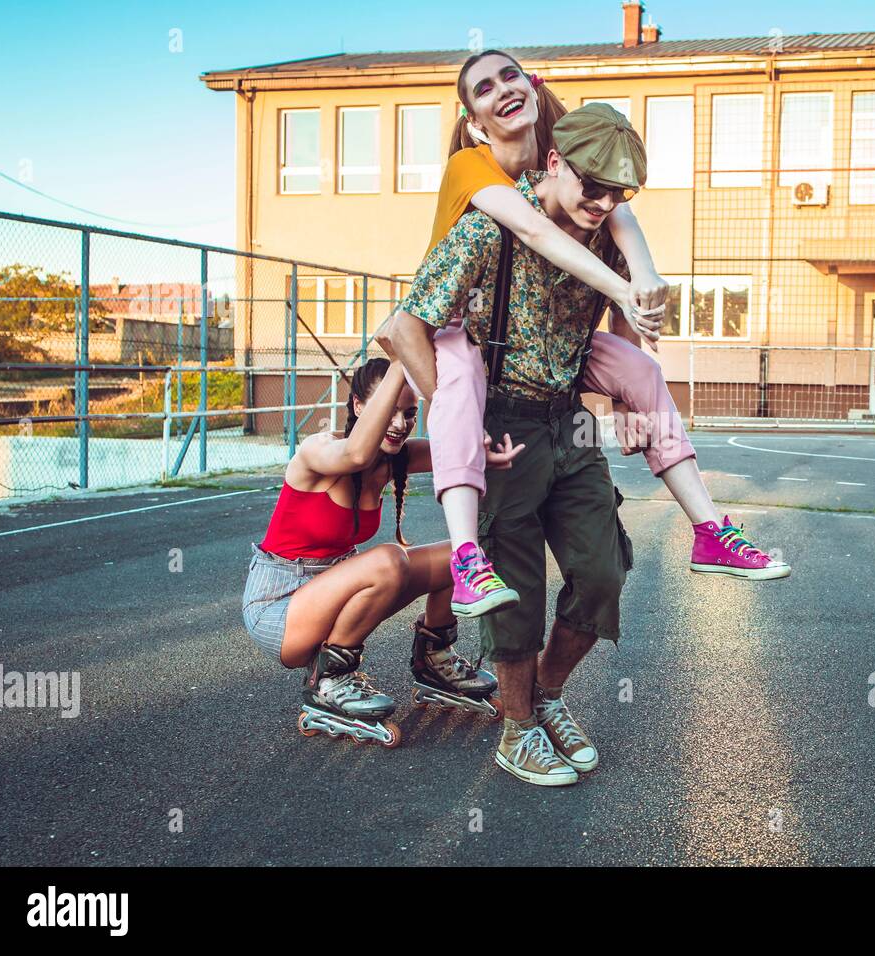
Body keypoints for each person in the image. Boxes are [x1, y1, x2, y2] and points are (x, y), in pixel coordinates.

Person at [377, 51, 788, 625]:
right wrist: (624, 289)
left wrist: (626, 392)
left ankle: (709, 529)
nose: (602, 203)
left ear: (534, 85)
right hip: (460, 327)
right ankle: (466, 557)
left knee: (639, 370)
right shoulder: (477, 178)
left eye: (511, 76)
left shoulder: (580, 174)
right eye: (484, 88)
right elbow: (527, 228)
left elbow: (616, 212)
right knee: (460, 383)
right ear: (474, 119)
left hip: (551, 352)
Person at [387, 105, 663, 785]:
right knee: (512, 585)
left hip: (569, 419)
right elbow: (403, 327)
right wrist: (460, 409)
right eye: (592, 186)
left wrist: (628, 401)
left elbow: (632, 319)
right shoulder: (488, 230)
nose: (604, 204)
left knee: (603, 571)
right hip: (502, 418)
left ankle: (543, 694)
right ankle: (515, 729)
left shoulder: (610, 243)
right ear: (553, 164)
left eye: (618, 194)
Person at [240, 357, 520, 746]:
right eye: (387, 411)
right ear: (357, 406)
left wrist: (485, 453)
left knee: (462, 552)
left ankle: (434, 656)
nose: (400, 424)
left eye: (409, 413)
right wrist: (405, 354)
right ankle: (331, 678)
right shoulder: (319, 451)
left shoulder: (396, 458)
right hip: (280, 606)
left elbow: (454, 448)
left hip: (331, 590)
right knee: (389, 560)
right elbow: (356, 454)